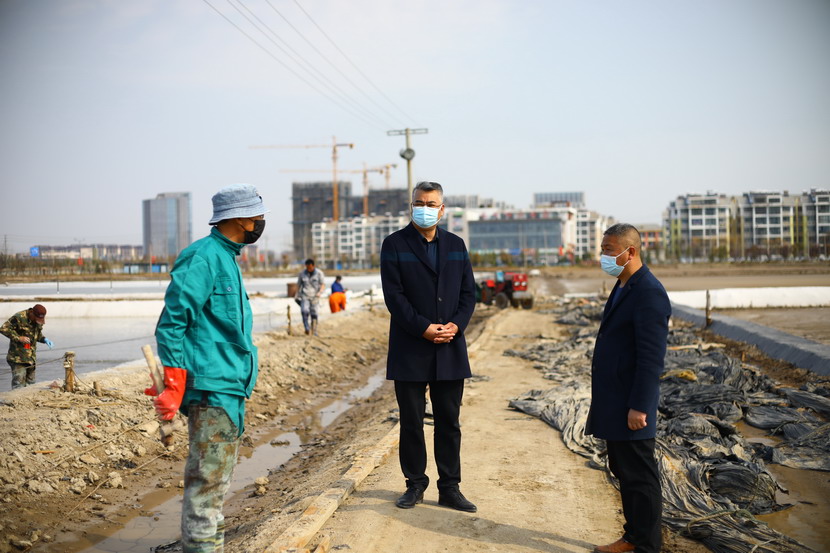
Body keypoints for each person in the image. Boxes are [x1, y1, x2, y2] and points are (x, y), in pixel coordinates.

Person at [146, 183, 267, 553]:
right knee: (207, 485)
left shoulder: (227, 257)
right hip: (212, 388)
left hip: (228, 385)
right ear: (241, 218)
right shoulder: (203, 257)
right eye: (259, 215)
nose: (262, 222)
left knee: (216, 483)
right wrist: (174, 381)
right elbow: (172, 323)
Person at [380, 180, 478, 513]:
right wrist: (423, 328)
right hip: (410, 347)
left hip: (449, 346)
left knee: (449, 422)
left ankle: (450, 487)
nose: (425, 208)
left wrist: (457, 325)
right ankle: (415, 484)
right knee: (411, 422)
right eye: (419, 203)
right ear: (412, 206)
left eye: (431, 204)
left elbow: (468, 293)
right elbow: (394, 296)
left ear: (442, 209)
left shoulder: (456, 245)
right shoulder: (395, 244)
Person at [586, 223, 670, 553]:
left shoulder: (649, 292)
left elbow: (651, 358)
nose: (603, 256)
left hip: (631, 404)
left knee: (640, 475)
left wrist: (640, 406)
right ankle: (633, 536)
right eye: (602, 250)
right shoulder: (624, 285)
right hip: (615, 399)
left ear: (630, 251)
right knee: (623, 470)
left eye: (608, 250)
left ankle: (647, 545)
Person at [1, 304, 53, 390]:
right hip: (18, 358)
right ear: (32, 313)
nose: (37, 321)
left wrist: (44, 339)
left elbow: (37, 334)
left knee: (31, 384)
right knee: (19, 384)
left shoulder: (37, 321)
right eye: (36, 318)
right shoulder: (19, 317)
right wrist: (18, 338)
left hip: (31, 358)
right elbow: (3, 329)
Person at [295, 258, 325, 335]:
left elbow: (322, 284)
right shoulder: (302, 274)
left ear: (313, 266)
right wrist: (296, 294)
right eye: (307, 267)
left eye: (310, 268)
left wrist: (320, 292)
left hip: (315, 296)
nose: (309, 269)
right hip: (305, 296)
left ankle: (314, 330)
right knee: (304, 311)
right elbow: (298, 285)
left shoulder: (319, 273)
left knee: (314, 313)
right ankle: (307, 328)